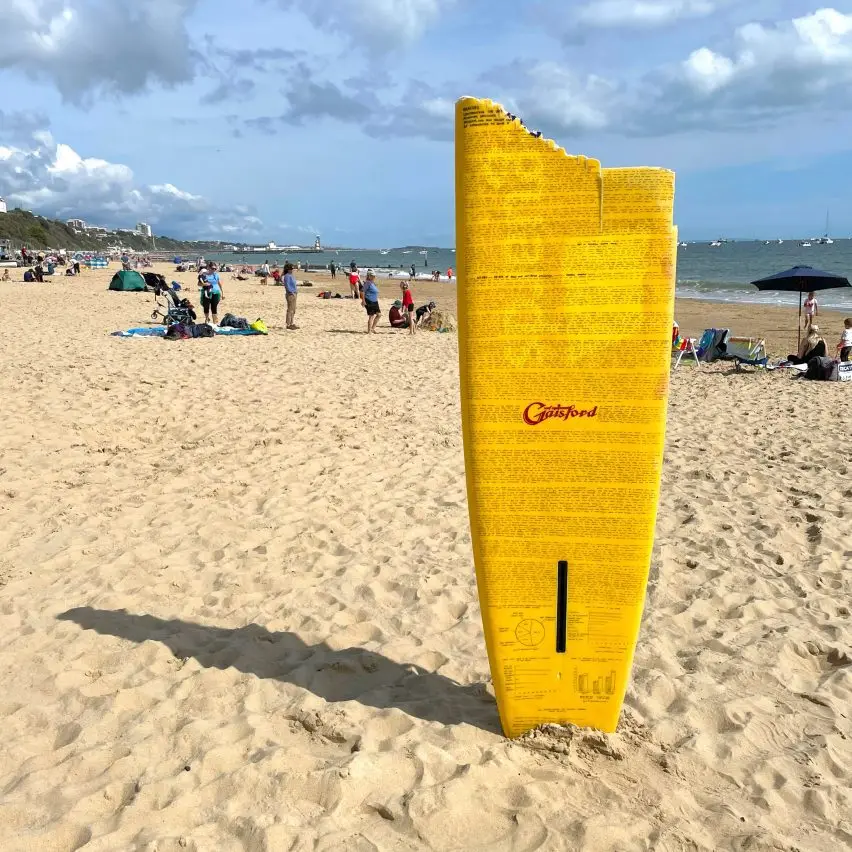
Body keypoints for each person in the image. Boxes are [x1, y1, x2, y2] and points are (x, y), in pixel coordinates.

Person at [283, 262, 299, 330]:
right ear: (288, 269)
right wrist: (291, 292)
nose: (292, 270)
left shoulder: (291, 275)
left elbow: (294, 284)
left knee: (293, 309)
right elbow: (287, 285)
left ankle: (292, 323)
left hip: (294, 293)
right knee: (290, 309)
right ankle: (288, 324)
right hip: (290, 294)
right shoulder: (287, 276)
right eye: (291, 269)